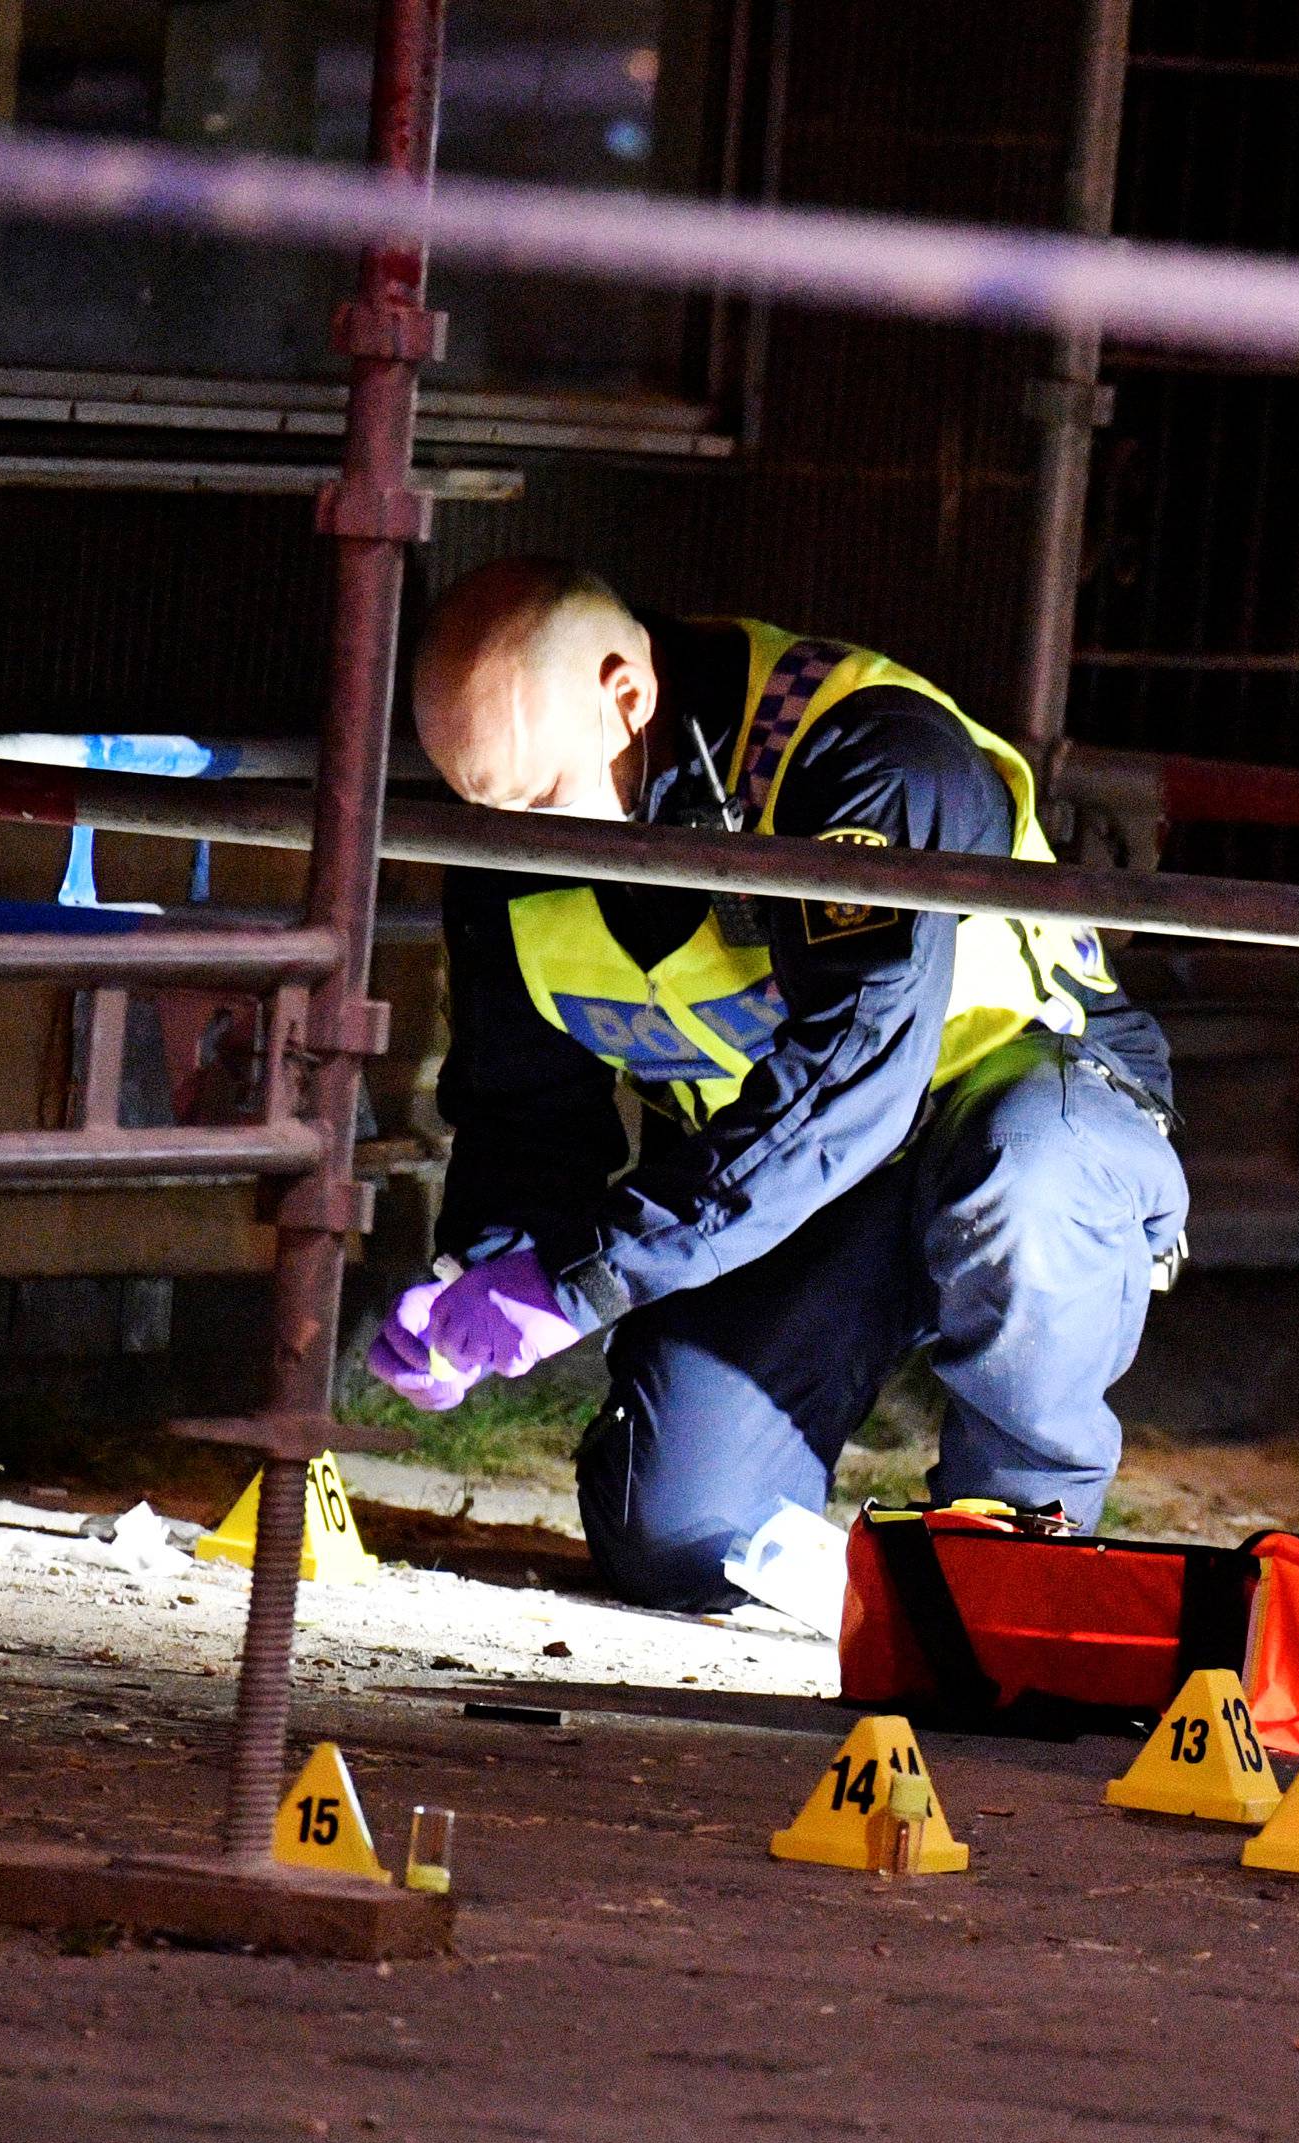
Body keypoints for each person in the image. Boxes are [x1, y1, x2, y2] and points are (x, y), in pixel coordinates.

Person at [367, 558, 1188, 1611]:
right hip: (797, 1182)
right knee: (675, 1538)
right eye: (485, 805)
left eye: (540, 797)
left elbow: (855, 1080)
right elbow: (525, 1105)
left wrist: (587, 1277)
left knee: (1030, 1182)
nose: (524, 842)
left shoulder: (862, 754)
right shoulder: (508, 824)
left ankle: (1018, 1568)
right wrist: (487, 1264)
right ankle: (874, 1589)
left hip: (1008, 1104)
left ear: (628, 696)